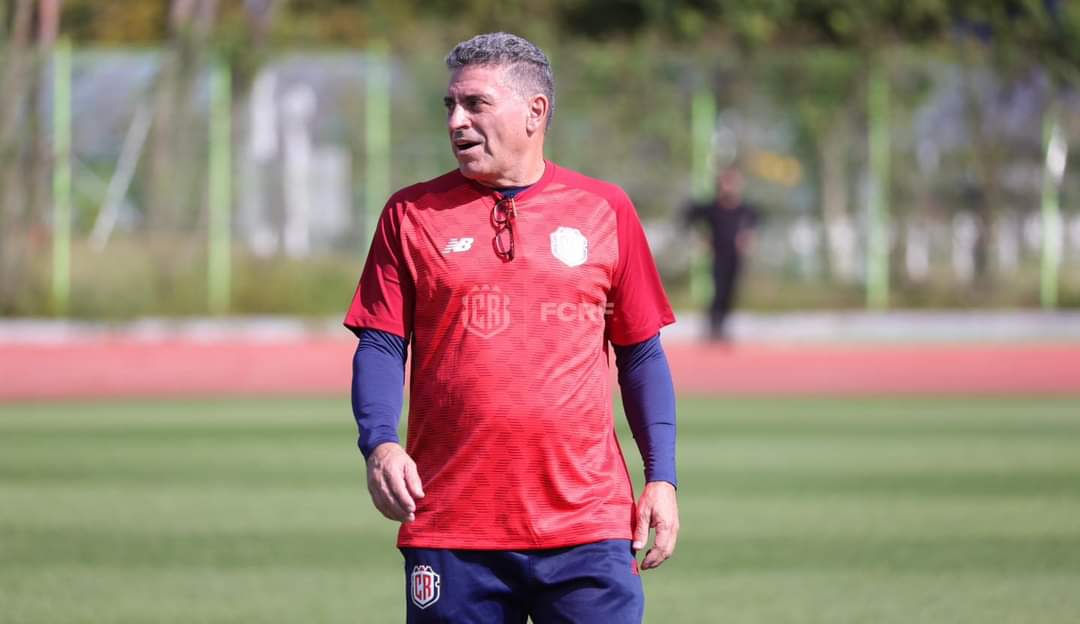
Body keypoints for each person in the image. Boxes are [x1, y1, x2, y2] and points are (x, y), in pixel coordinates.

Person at [344, 32, 679, 623]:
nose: (456, 121)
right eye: (450, 105)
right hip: (452, 523)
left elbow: (641, 354)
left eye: (475, 104)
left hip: (588, 523)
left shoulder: (605, 209)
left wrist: (662, 479)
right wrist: (380, 441)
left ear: (535, 111)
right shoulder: (409, 214)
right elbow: (381, 343)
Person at [684, 165, 758, 341]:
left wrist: (748, 240)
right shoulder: (712, 208)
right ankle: (713, 326)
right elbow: (688, 216)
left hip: (735, 256)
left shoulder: (745, 210)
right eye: (727, 182)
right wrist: (700, 238)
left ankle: (722, 326)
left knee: (730, 292)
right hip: (717, 255)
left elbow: (752, 228)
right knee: (718, 289)